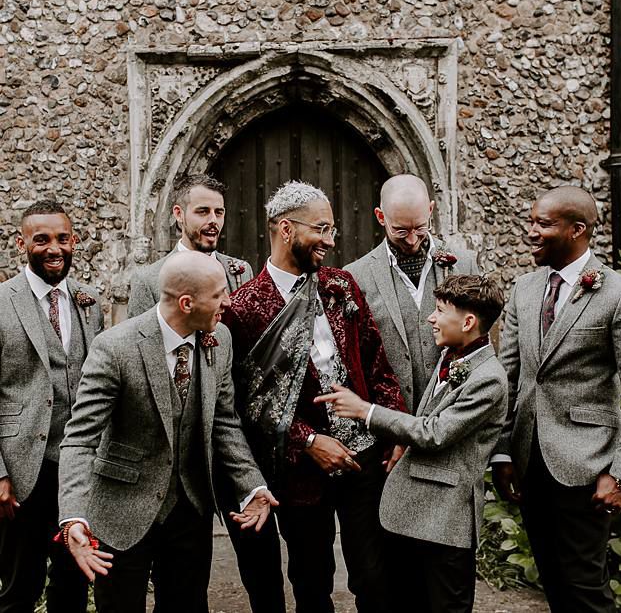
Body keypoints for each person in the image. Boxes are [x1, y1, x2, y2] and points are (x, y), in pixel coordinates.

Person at [57, 252, 277, 613]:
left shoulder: (218, 338)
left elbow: (224, 421)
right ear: (187, 303)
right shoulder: (115, 348)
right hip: (121, 511)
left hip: (190, 508)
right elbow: (81, 438)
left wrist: (251, 484)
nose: (229, 301)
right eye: (220, 294)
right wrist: (74, 516)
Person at [223, 180, 406, 613]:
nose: (329, 240)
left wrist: (394, 425)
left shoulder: (340, 285)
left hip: (364, 458)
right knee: (311, 582)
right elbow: (246, 403)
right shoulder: (244, 307)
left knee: (375, 578)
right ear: (286, 230)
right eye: (321, 229)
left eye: (332, 230)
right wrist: (308, 441)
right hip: (300, 471)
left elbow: (376, 361)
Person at [492, 186, 621, 612]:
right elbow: (508, 378)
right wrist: (502, 452)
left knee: (586, 592)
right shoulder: (524, 290)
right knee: (552, 584)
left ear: (578, 230)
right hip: (530, 465)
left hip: (588, 469)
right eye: (531, 221)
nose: (531, 232)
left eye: (543, 224)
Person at [318, 273, 508, 613]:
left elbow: (433, 433)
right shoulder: (452, 354)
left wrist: (366, 411)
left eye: (439, 311)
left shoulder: (489, 378)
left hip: (446, 522)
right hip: (416, 515)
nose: (431, 318)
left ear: (467, 322)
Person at [0, 199, 103, 613]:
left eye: (63, 238)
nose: (54, 248)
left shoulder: (88, 300)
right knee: (17, 591)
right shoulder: (3, 300)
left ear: (74, 240)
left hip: (77, 472)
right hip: (21, 472)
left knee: (72, 589)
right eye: (41, 239)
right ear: (22, 243)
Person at [345, 174, 478, 412]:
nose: (413, 239)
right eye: (401, 230)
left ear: (430, 209)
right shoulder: (356, 276)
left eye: (420, 227)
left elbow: (480, 346)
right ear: (380, 216)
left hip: (454, 415)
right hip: (390, 425)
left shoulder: (464, 264)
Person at [127, 174, 252, 317]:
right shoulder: (147, 281)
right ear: (179, 214)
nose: (213, 220)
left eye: (218, 212)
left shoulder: (242, 272)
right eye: (203, 211)